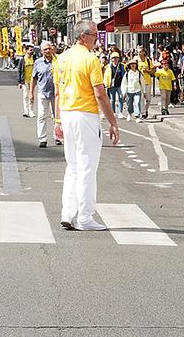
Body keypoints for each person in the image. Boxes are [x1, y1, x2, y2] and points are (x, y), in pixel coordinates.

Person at [53, 19, 120, 231]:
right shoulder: (91, 60)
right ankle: (85, 216)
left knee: (72, 166)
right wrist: (113, 122)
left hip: (67, 112)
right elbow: (100, 93)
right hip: (85, 114)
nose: (97, 39)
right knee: (87, 167)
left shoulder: (61, 59)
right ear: (83, 36)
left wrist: (57, 120)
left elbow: (58, 92)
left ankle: (68, 212)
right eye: (94, 34)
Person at [135, 46, 155, 119]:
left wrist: (147, 71)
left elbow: (153, 71)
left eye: (140, 52)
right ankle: (143, 113)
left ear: (143, 52)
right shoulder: (136, 61)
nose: (139, 53)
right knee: (142, 98)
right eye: (138, 52)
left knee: (148, 99)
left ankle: (145, 110)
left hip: (148, 81)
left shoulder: (148, 61)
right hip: (139, 82)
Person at [104, 52, 125, 119]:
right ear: (111, 59)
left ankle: (120, 112)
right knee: (112, 100)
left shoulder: (122, 66)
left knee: (121, 97)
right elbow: (106, 76)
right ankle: (113, 112)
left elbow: (124, 75)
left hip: (120, 85)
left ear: (118, 59)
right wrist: (106, 83)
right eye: (113, 58)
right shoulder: (108, 66)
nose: (115, 59)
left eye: (116, 58)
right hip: (112, 85)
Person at [18, 44, 35, 118]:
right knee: (25, 96)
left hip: (32, 81)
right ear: (26, 50)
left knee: (31, 96)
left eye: (32, 50)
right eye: (30, 50)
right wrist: (19, 82)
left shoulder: (34, 58)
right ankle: (26, 111)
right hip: (25, 80)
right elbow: (19, 71)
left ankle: (31, 110)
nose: (32, 52)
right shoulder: (22, 59)